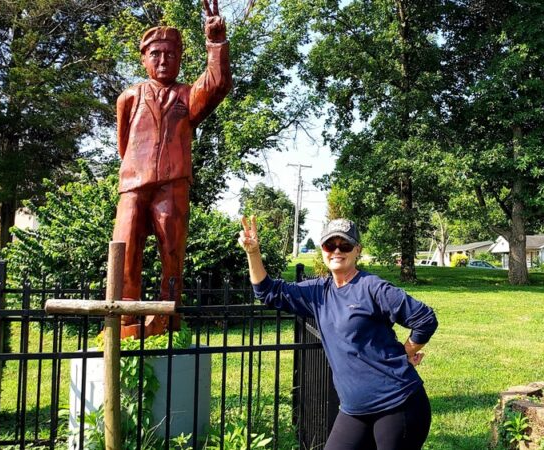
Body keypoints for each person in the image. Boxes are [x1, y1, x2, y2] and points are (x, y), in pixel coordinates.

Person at [238, 217, 438, 450]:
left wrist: (407, 351)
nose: (336, 251)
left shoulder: (372, 288)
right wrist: (253, 252)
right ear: (322, 249)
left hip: (398, 404)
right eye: (329, 245)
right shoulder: (318, 292)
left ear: (357, 251)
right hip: (354, 410)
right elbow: (268, 292)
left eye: (344, 245)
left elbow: (425, 319)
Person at [112, 0, 232, 338]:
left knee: (172, 252)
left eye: (171, 55)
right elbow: (124, 144)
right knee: (125, 246)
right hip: (134, 184)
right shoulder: (130, 96)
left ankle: (170, 315)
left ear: (179, 59)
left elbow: (217, 84)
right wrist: (138, 171)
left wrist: (216, 42)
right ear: (144, 58)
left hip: (173, 184)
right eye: (156, 54)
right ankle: (123, 317)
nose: (163, 60)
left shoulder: (186, 95)